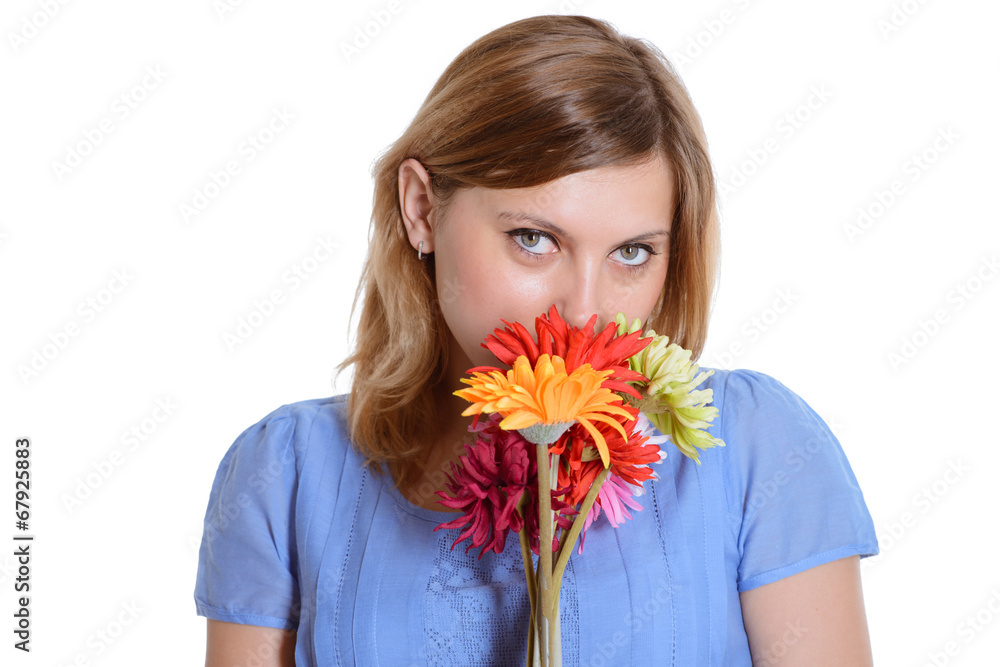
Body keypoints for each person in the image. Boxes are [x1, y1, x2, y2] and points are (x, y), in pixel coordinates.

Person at [194, 14, 878, 666]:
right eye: (534, 239)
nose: (584, 311)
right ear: (422, 209)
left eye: (633, 252)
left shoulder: (754, 451)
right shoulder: (285, 476)